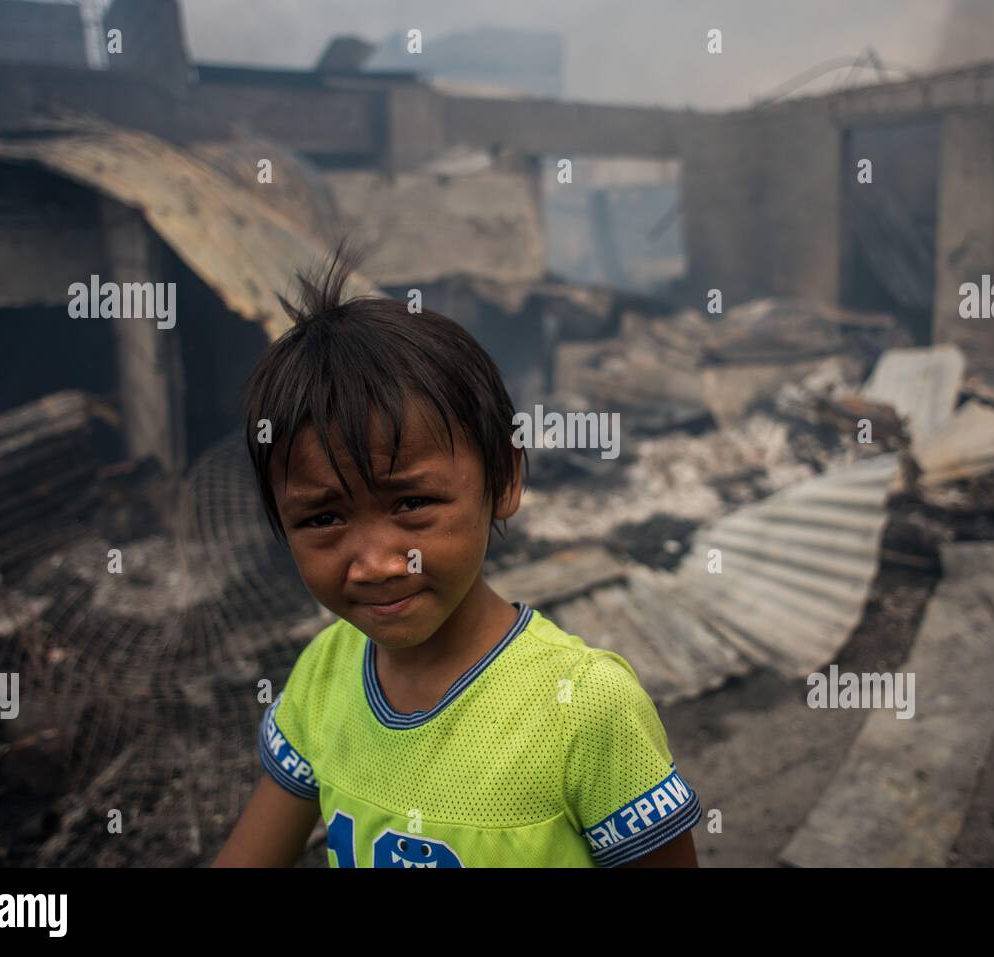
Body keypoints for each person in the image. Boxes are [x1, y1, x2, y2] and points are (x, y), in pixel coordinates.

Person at [212, 240, 700, 868]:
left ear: (503, 479)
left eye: (411, 503)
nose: (378, 562)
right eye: (324, 518)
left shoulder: (584, 710)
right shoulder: (324, 676)